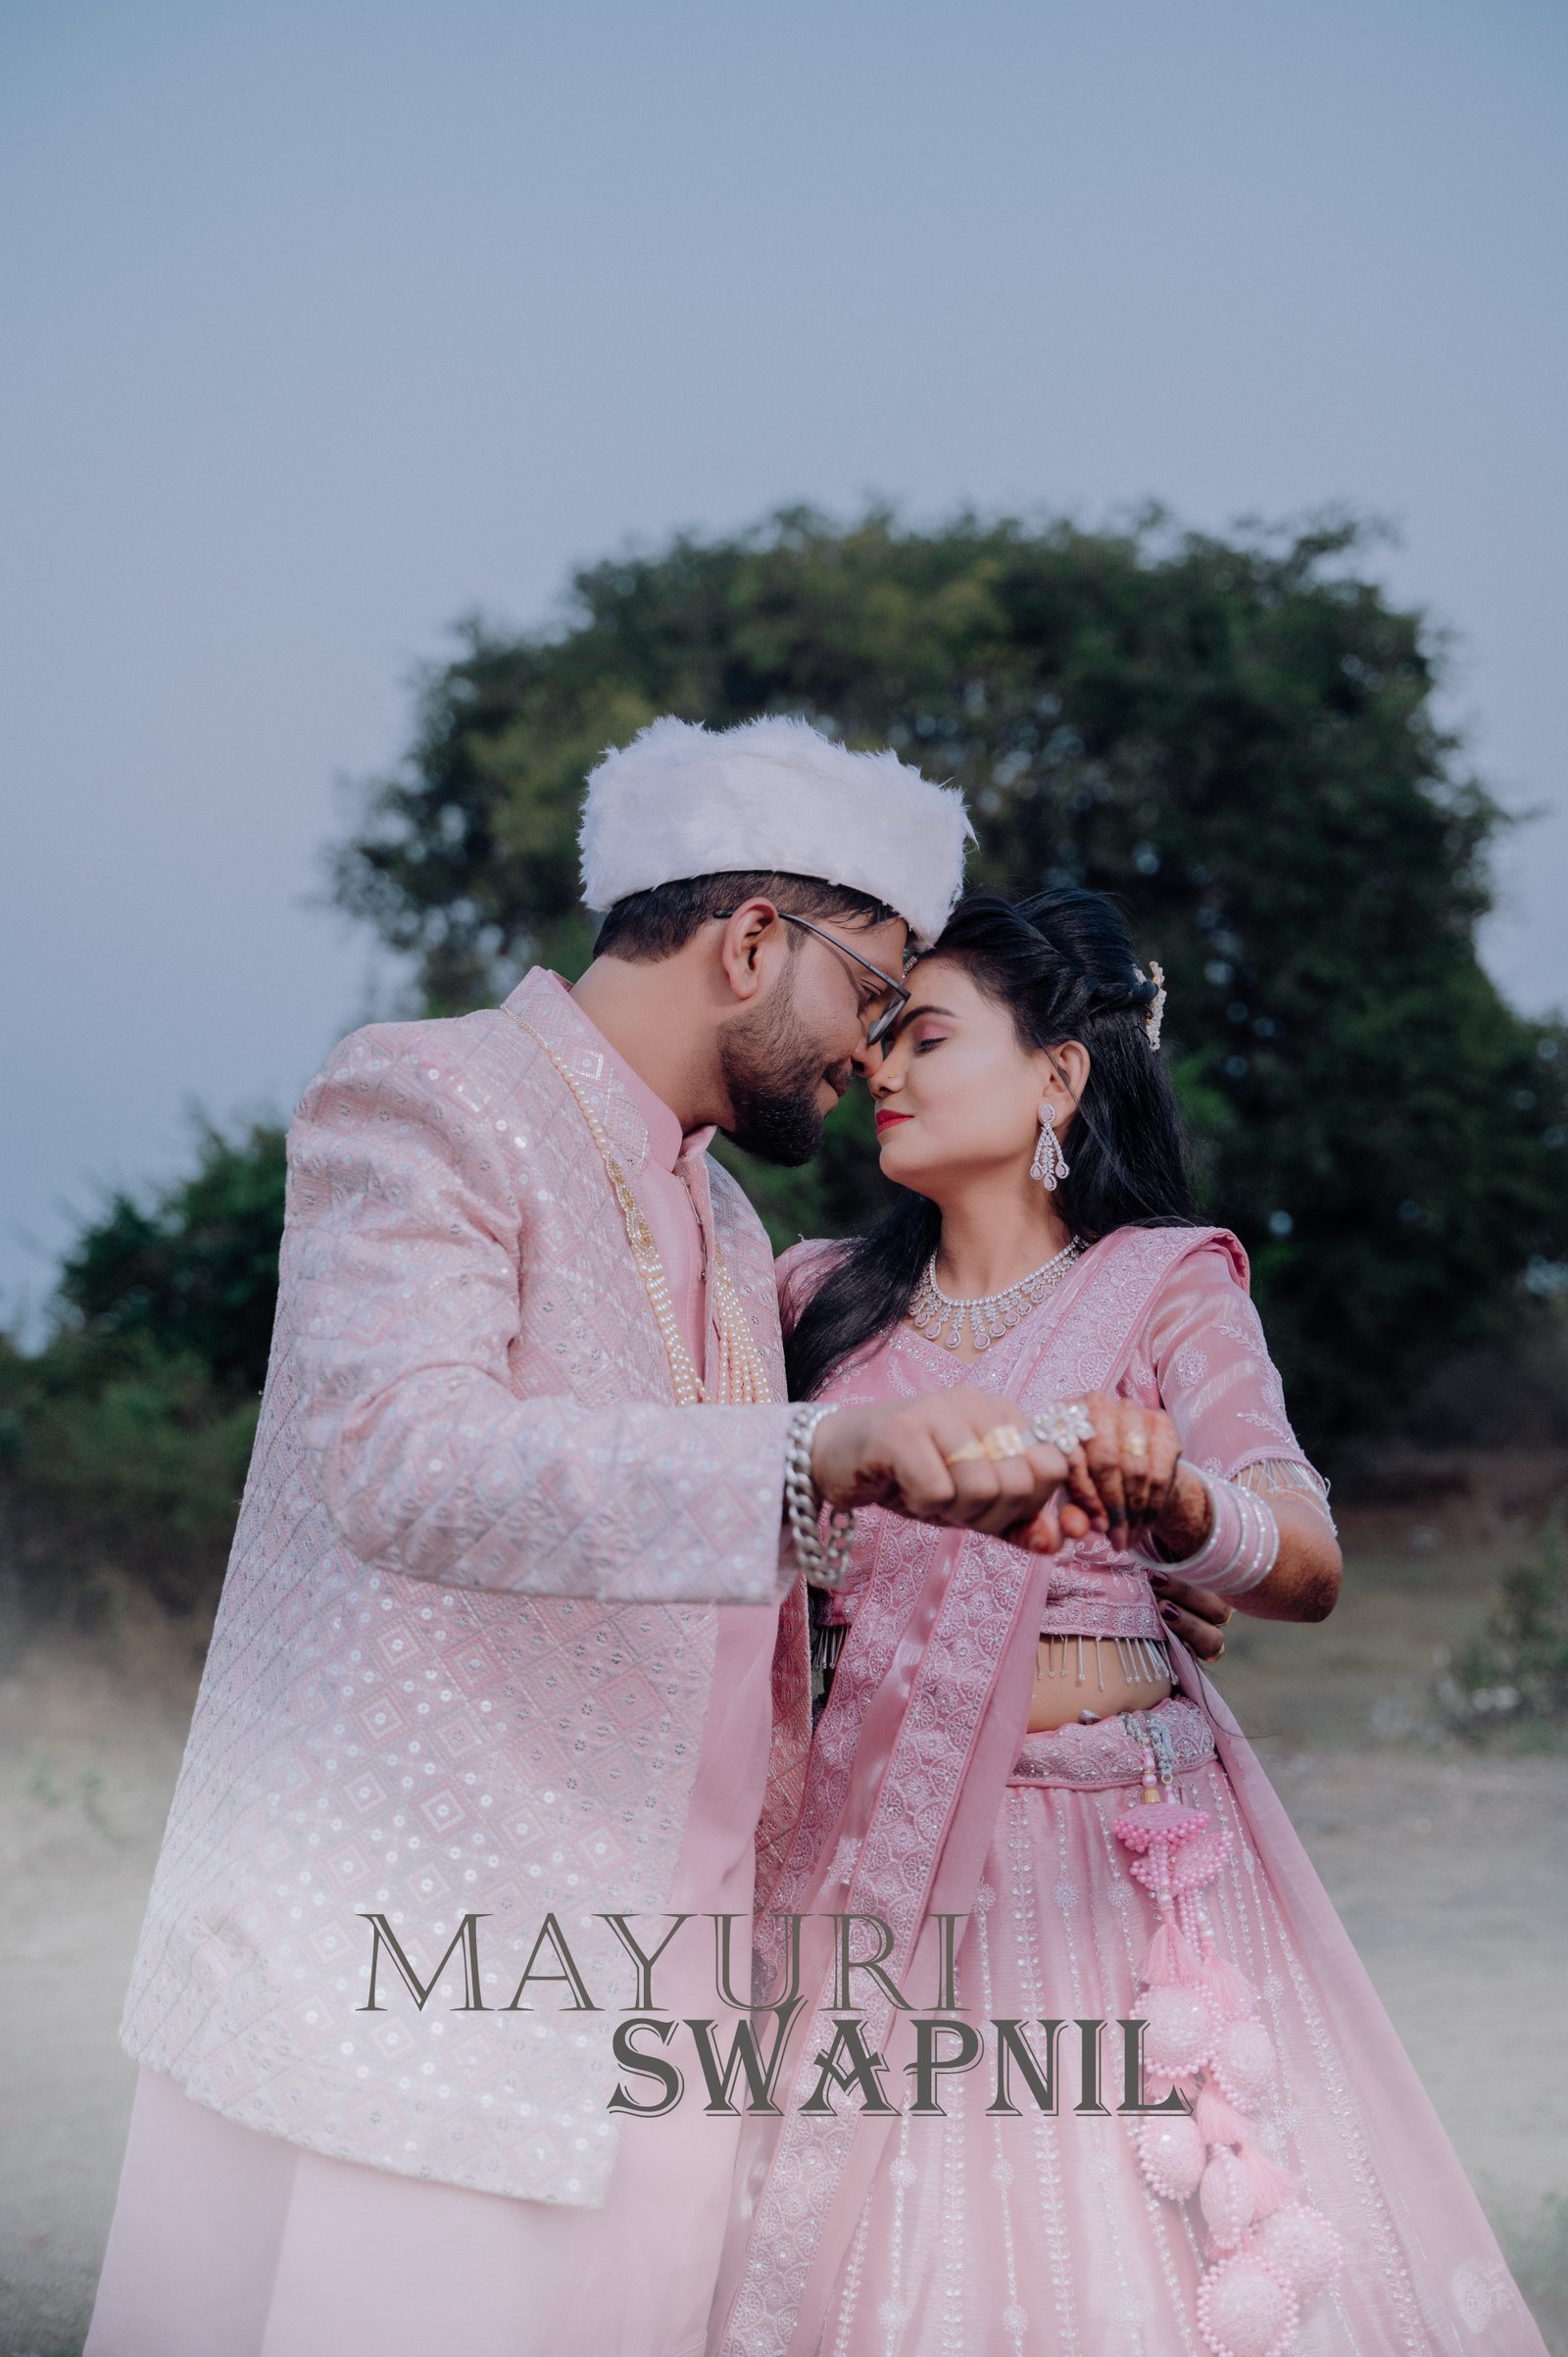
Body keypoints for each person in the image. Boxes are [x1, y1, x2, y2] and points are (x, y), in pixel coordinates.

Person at [86, 718, 1171, 2357]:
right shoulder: (431, 1094)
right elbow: (403, 1457)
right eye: (874, 992)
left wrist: (1106, 1587)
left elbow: (759, 1545)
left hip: (675, 2005)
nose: (874, 1050)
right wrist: (815, 1454)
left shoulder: (732, 1219)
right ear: (752, 943)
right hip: (425, 1974)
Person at [708, 889, 1547, 2357]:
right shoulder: (817, 1299)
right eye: (881, 1037)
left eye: (926, 1036)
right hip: (873, 1862)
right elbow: (721, 1519)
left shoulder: (1165, 1284)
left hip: (1101, 1866)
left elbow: (1302, 1555)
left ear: (1058, 1076)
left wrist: (1178, 1508)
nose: (882, 1066)